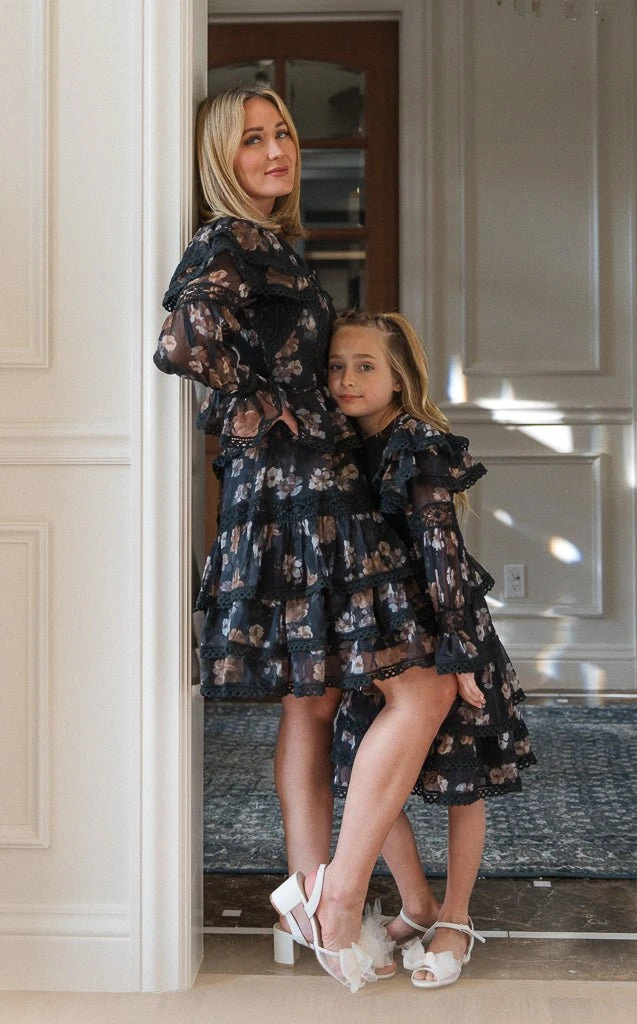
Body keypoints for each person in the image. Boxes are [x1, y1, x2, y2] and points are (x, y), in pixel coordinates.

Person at [153, 85, 461, 991]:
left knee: (313, 701)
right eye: (252, 139)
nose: (276, 149)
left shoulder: (269, 244)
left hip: (293, 489)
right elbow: (180, 344)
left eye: (282, 132)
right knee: (421, 688)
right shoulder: (229, 239)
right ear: (222, 159)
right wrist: (272, 403)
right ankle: (340, 896)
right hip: (298, 492)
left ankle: (308, 893)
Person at [326, 310, 537, 989]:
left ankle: (455, 916)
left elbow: (442, 552)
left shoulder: (416, 444)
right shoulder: (336, 447)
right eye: (336, 366)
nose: (347, 379)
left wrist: (461, 653)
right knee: (364, 768)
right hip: (375, 639)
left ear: (398, 378)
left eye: (364, 366)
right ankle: (415, 902)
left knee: (459, 780)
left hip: (443, 634)